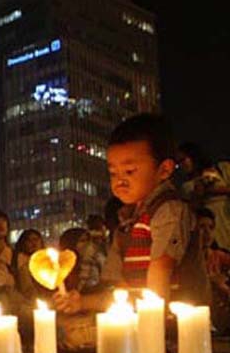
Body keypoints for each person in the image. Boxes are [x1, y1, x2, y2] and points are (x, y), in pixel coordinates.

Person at [56, 114, 208, 314]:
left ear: (164, 170)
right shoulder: (127, 223)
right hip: (145, 323)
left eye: (129, 171)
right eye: (113, 173)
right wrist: (82, 302)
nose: (120, 181)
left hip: (178, 326)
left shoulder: (169, 212)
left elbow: (160, 275)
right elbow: (120, 290)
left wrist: (152, 326)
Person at [177, 141, 230, 250]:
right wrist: (198, 194)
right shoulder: (187, 186)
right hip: (212, 227)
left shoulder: (222, 169)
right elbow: (191, 211)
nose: (182, 165)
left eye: (183, 160)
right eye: (179, 163)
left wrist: (213, 190)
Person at [198, 208, 230, 333]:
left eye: (211, 228)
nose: (207, 233)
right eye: (201, 227)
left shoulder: (219, 256)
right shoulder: (185, 260)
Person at [12, 229, 46, 301]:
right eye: (29, 240)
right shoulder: (21, 260)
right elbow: (27, 287)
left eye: (35, 239)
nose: (33, 243)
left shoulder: (47, 259)